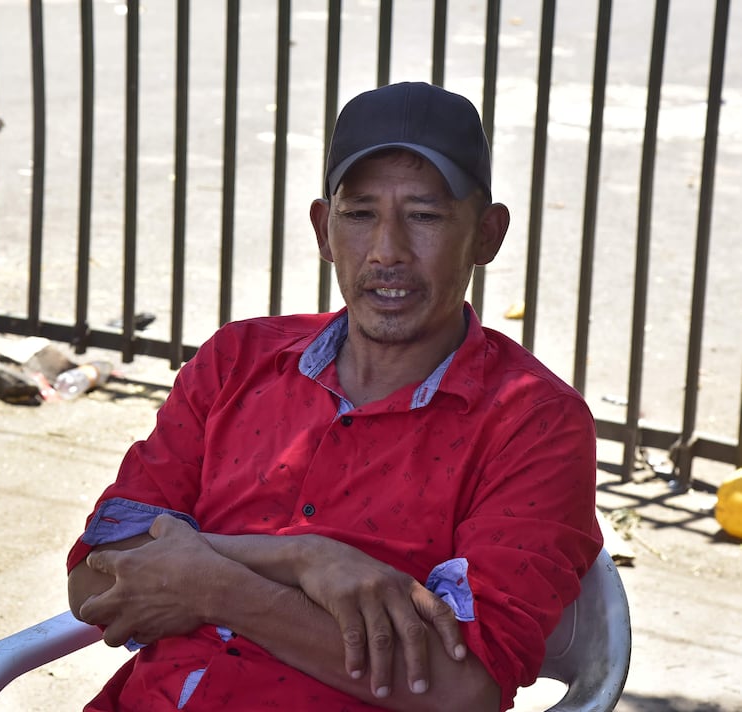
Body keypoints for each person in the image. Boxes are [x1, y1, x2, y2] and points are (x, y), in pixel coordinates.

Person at [67, 81, 602, 712]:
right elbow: (94, 578)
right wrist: (302, 558)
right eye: (359, 214)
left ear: (487, 234)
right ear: (325, 230)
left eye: (425, 216)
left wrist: (215, 586)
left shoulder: (534, 422)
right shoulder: (236, 360)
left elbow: (466, 688)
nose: (387, 251)